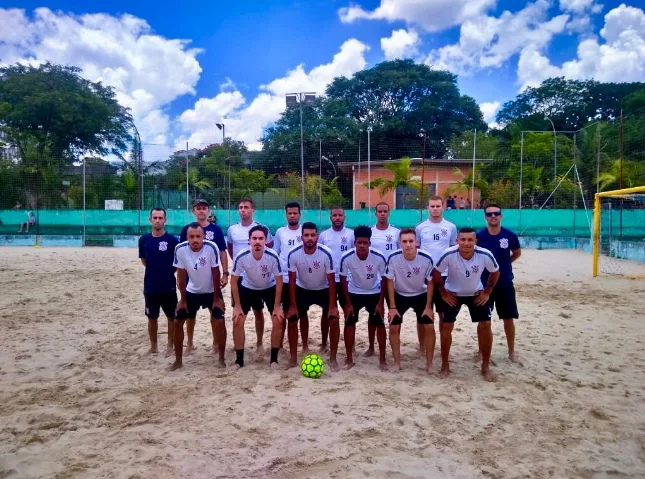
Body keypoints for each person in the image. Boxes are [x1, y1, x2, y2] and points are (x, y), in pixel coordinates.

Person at [433, 227, 500, 381]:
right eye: (462, 239)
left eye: (470, 240)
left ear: (475, 241)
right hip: (453, 294)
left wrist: (487, 292)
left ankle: (485, 366)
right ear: (457, 241)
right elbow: (436, 273)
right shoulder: (449, 254)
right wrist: (443, 293)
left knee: (485, 325)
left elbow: (496, 272)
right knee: (446, 326)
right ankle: (445, 365)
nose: (466, 243)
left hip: (476, 294)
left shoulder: (484, 254)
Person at [171, 223, 225, 371]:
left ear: (203, 237)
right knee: (177, 322)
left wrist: (216, 299)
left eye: (198, 236)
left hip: (211, 291)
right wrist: (182, 299)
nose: (195, 240)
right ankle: (178, 361)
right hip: (191, 291)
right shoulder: (180, 249)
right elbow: (181, 276)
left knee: (220, 321)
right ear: (187, 237)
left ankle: (221, 358)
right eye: (191, 237)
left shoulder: (211, 247)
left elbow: (216, 273)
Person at [286, 222, 340, 370]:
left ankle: (331, 355)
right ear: (301, 237)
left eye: (312, 235)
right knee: (293, 318)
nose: (309, 238)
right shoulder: (294, 253)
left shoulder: (326, 253)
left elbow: (331, 280)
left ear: (317, 236)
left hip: (323, 288)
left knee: (333, 319)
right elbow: (291, 280)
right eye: (306, 235)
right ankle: (296, 354)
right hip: (303, 288)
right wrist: (292, 305)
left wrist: (333, 306)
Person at [179, 199, 228, 356]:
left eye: (204, 208)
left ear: (208, 211)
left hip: (211, 279)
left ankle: (215, 342)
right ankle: (190, 342)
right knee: (189, 314)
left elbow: (222, 252)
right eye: (198, 208)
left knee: (214, 311)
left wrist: (225, 273)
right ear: (193, 211)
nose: (201, 211)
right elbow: (182, 254)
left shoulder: (216, 230)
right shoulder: (186, 230)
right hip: (191, 277)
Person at [231, 225, 284, 370]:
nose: (257, 241)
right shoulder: (242, 256)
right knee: (237, 320)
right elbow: (233, 281)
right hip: (248, 287)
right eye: (254, 238)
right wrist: (236, 306)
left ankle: (274, 360)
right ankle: (239, 360)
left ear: (266, 240)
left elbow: (279, 281)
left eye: (261, 238)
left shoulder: (273, 256)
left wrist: (277, 306)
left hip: (269, 287)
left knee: (278, 319)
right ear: (249, 240)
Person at [384, 228, 436, 373]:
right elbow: (389, 281)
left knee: (429, 327)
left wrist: (428, 306)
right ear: (399, 243)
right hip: (400, 294)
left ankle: (429, 363)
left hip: (421, 294)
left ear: (416, 243)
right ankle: (397, 362)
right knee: (393, 327)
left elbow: (431, 282)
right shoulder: (393, 258)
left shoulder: (426, 258)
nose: (408, 245)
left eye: (411, 241)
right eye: (404, 242)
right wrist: (392, 307)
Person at [227, 198, 274, 356]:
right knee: (238, 311)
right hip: (240, 275)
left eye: (246, 207)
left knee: (258, 311)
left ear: (253, 209)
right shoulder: (232, 229)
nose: (243, 210)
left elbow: (270, 248)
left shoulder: (260, 229)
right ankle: (238, 345)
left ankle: (260, 342)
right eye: (240, 207)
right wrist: (239, 265)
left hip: (259, 275)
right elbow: (230, 247)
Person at [476, 203, 522, 363]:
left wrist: (504, 265)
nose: (493, 216)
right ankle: (481, 351)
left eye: (496, 213)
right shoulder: (479, 236)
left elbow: (517, 252)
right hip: (483, 284)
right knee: (483, 320)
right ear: (485, 217)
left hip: (504, 283)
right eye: (489, 214)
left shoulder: (509, 235)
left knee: (508, 318)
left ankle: (511, 351)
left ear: (501, 216)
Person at [339, 226, 388, 370]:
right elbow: (343, 280)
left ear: (369, 243)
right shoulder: (347, 257)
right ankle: (349, 359)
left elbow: (384, 279)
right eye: (359, 242)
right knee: (349, 322)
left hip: (373, 292)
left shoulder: (379, 257)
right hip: (354, 292)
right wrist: (347, 303)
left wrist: (381, 303)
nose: (362, 246)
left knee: (379, 322)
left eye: (365, 243)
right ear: (354, 243)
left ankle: (382, 359)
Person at [414, 196, 457, 355]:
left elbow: (453, 251)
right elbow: (416, 251)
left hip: (444, 276)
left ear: (443, 207)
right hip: (425, 276)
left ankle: (440, 345)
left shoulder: (451, 227)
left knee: (442, 313)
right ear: (428, 208)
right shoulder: (420, 227)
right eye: (432, 206)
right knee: (422, 313)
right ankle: (422, 346)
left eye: (438, 206)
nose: (435, 209)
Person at [138, 208, 179, 357]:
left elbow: (177, 263)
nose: (157, 220)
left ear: (165, 220)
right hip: (150, 286)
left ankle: (170, 345)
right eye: (154, 217)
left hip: (168, 285)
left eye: (160, 218)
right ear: (150, 220)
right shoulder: (144, 240)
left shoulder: (172, 241)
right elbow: (144, 260)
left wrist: (166, 272)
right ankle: (154, 346)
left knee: (172, 317)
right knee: (152, 317)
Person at [366, 202, 399, 357]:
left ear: (389, 213)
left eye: (385, 211)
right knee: (374, 314)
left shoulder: (396, 232)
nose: (383, 214)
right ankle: (371, 346)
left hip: (392, 278)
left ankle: (392, 348)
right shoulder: (370, 232)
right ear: (375, 213)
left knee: (394, 312)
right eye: (380, 211)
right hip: (374, 279)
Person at [318, 207, 354, 352]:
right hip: (329, 280)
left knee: (349, 311)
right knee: (327, 311)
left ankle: (350, 344)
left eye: (340, 215)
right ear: (330, 218)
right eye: (335, 215)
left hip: (347, 279)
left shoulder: (351, 235)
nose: (337, 217)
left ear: (344, 217)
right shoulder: (324, 236)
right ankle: (324, 342)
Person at [273, 202, 303, 349]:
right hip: (285, 278)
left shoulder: (305, 232)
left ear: (299, 214)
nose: (292, 215)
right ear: (286, 215)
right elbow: (275, 253)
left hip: (302, 280)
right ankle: (279, 343)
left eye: (295, 213)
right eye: (289, 213)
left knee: (302, 312)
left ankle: (303, 344)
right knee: (284, 313)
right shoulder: (280, 232)